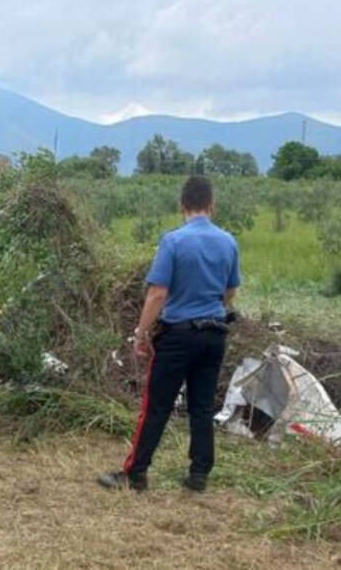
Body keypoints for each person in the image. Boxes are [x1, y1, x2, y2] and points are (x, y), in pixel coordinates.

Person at [98, 176, 240, 492]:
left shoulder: (173, 241)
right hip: (214, 334)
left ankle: (135, 473)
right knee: (202, 406)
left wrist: (141, 333)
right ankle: (199, 474)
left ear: (182, 206)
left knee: (157, 405)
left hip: (179, 337)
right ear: (211, 206)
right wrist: (212, 306)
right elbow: (231, 289)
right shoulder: (228, 242)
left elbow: (157, 293)